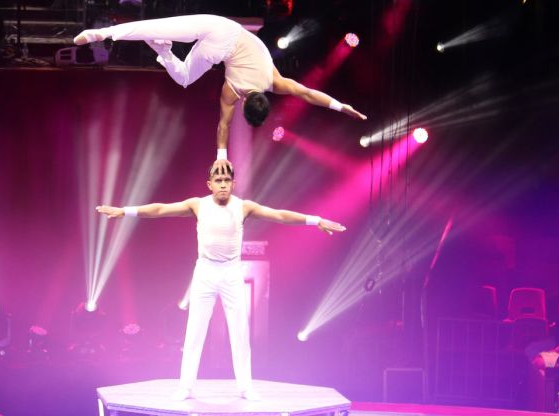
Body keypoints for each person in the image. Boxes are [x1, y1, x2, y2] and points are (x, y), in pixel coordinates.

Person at [95, 164, 346, 401]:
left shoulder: (244, 206)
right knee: (195, 330)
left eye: (227, 180)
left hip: (232, 273)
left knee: (240, 332)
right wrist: (125, 211)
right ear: (210, 184)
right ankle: (185, 386)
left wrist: (316, 220)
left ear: (233, 183)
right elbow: (161, 209)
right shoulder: (197, 205)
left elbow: (279, 215)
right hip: (205, 272)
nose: (223, 184)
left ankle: (245, 387)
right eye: (218, 180)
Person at [75, 14, 367, 171]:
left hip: (223, 24)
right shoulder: (232, 91)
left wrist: (343, 106)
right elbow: (223, 125)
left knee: (163, 26)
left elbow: (309, 93)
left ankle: (106, 34)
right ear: (245, 106)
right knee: (185, 77)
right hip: (220, 47)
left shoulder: (274, 81)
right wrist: (220, 156)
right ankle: (159, 48)